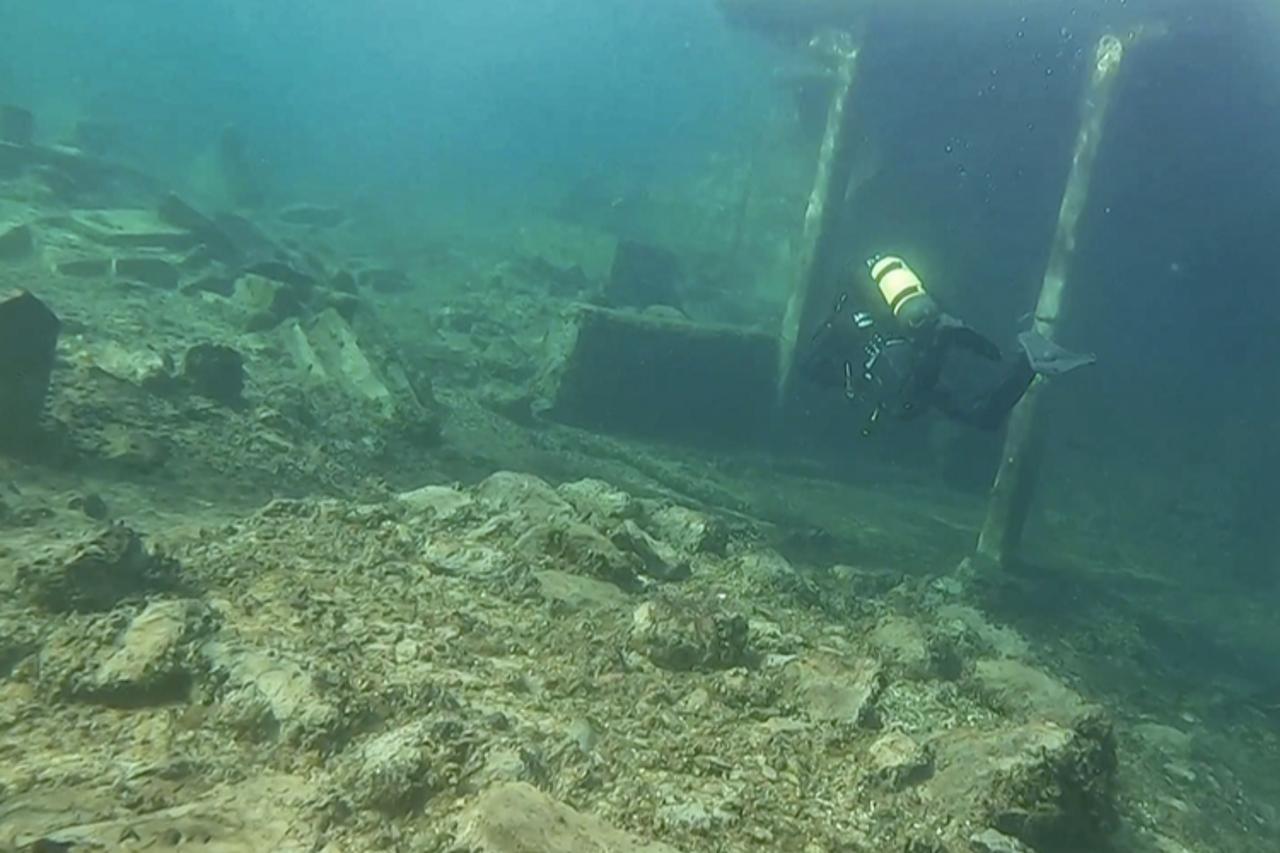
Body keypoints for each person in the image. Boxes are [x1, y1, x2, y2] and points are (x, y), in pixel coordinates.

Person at [802, 255, 1095, 435]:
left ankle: (1026, 360)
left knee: (912, 405)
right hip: (925, 341)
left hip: (909, 374)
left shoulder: (843, 319)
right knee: (983, 416)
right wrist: (986, 349)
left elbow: (809, 366)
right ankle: (1025, 357)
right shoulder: (891, 304)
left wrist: (849, 383)